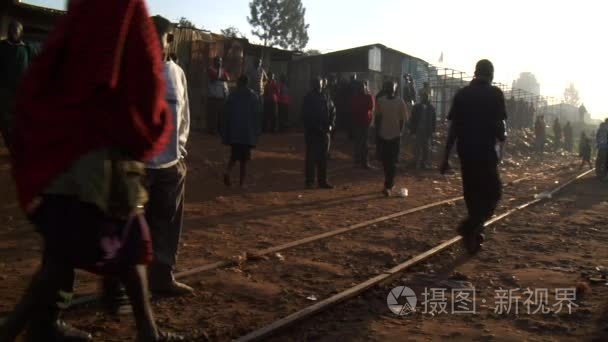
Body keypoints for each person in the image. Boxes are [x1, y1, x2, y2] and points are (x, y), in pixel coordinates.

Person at [0, 1, 183, 341]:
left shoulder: (79, 12)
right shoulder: (124, 8)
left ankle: (30, 327)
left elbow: (47, 74)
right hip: (102, 153)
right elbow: (140, 69)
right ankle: (147, 333)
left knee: (63, 253)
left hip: (65, 146)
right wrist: (146, 124)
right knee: (126, 243)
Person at [142, 15, 193, 297]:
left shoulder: (177, 74)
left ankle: (163, 278)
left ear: (168, 40)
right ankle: (127, 287)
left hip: (170, 166)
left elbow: (184, 118)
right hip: (139, 168)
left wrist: (179, 152)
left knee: (168, 225)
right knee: (134, 229)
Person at [440, 59, 507, 255]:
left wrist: (445, 157)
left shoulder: (462, 94)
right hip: (485, 152)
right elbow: (500, 129)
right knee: (493, 192)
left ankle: (473, 237)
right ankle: (470, 227)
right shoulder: (495, 94)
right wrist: (501, 135)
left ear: (475, 73)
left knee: (472, 194)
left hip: (465, 153)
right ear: (491, 75)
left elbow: (453, 128)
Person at [0, 20, 37, 155]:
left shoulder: (28, 48)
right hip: (4, 93)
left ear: (21, 32)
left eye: (17, 29)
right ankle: (12, 147)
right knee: (5, 122)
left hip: (22, 93)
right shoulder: (2, 47)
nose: (14, 32)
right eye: (12, 29)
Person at [222, 75, 261, 187]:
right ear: (247, 83)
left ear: (240, 83)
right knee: (244, 160)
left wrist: (226, 130)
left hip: (235, 132)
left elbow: (226, 112)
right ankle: (241, 183)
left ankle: (227, 171)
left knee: (234, 156)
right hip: (247, 133)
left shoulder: (233, 95)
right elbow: (257, 114)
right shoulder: (253, 96)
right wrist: (256, 131)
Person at [375, 80, 408, 196]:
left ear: (395, 88)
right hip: (384, 135)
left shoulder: (400, 102)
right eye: (388, 86)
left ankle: (388, 185)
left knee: (392, 162)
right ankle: (389, 183)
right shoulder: (380, 101)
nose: (390, 88)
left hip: (393, 136)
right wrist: (377, 133)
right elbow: (378, 118)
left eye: (391, 86)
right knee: (385, 161)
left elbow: (402, 120)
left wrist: (399, 132)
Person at [302, 77, 336, 189]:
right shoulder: (308, 98)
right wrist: (316, 127)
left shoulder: (327, 97)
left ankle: (322, 181)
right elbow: (305, 116)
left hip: (325, 132)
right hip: (313, 132)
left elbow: (333, 111)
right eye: (316, 84)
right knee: (311, 158)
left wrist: (331, 124)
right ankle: (310, 181)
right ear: (313, 85)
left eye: (320, 84)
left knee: (323, 158)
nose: (319, 86)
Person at [351, 80, 375, 169]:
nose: (361, 88)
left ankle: (361, 160)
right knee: (361, 142)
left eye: (363, 86)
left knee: (361, 142)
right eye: (360, 86)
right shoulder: (365, 97)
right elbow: (370, 107)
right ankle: (361, 161)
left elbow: (371, 107)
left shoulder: (366, 96)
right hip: (361, 121)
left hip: (363, 122)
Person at [410, 91, 437, 169]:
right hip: (419, 129)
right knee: (418, 147)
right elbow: (413, 119)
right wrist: (412, 130)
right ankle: (417, 162)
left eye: (426, 97)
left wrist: (433, 130)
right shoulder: (417, 107)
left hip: (426, 130)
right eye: (424, 96)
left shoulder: (431, 108)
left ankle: (423, 163)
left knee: (425, 147)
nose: (425, 98)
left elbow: (433, 120)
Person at [207, 56, 229, 135]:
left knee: (220, 115)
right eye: (218, 61)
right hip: (213, 96)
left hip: (221, 96)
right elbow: (216, 77)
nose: (219, 63)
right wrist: (220, 73)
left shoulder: (223, 70)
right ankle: (212, 130)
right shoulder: (210, 69)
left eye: (220, 61)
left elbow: (227, 78)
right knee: (213, 115)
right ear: (214, 61)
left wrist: (221, 76)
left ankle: (219, 130)